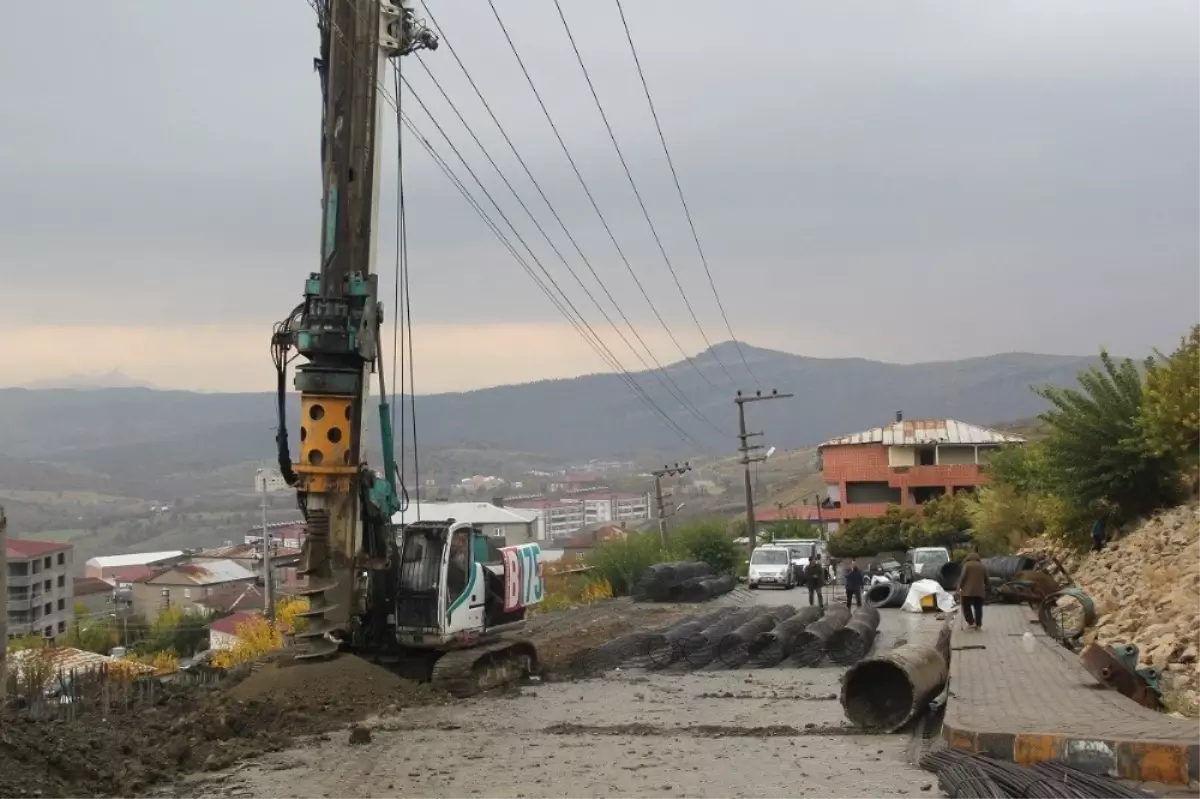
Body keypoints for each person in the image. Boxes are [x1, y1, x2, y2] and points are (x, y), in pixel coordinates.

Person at [957, 552, 987, 631]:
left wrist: (958, 588)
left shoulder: (967, 565)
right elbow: (986, 579)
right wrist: (989, 589)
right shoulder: (982, 566)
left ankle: (971, 622)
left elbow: (962, 577)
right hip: (980, 591)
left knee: (966, 606)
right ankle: (978, 624)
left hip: (968, 591)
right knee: (978, 607)